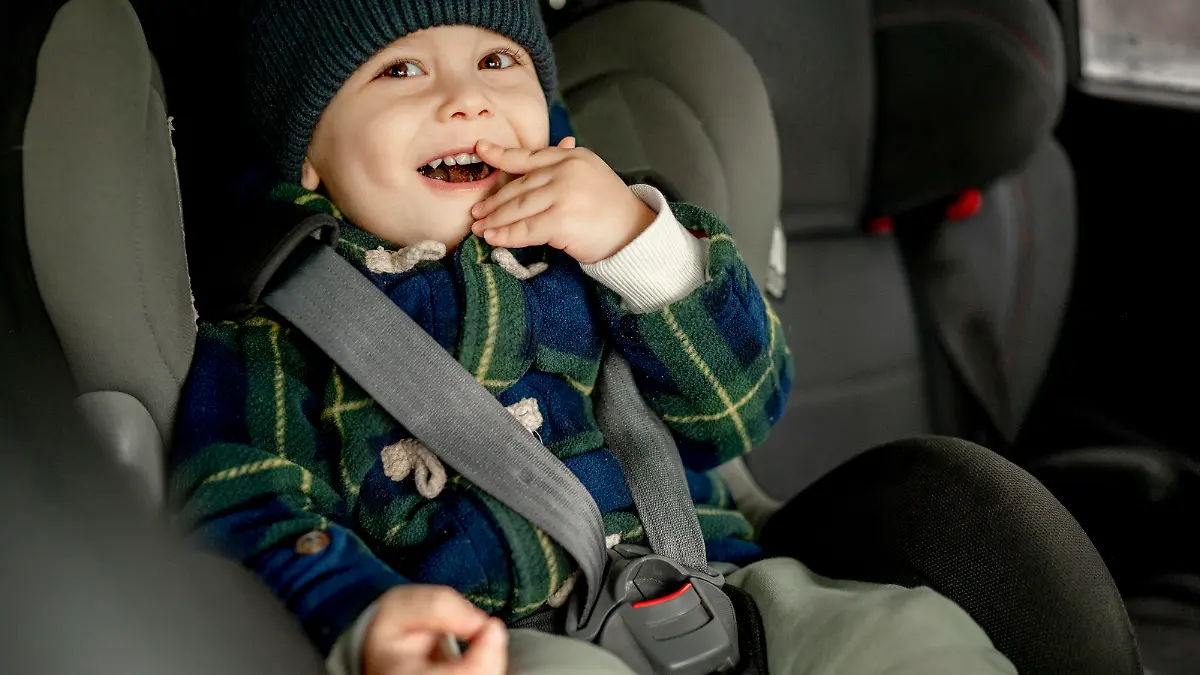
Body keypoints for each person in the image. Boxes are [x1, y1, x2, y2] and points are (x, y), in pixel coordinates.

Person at [169, 1, 1016, 673]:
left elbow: (742, 414)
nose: (467, 99)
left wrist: (637, 246)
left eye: (499, 62)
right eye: (400, 70)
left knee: (907, 634)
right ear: (309, 152)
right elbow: (240, 502)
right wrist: (360, 615)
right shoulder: (281, 326)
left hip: (717, 588)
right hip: (497, 636)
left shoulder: (611, 240)